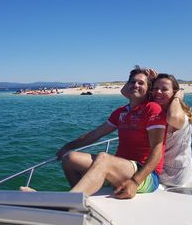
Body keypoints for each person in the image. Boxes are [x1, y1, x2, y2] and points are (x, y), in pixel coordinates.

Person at [20, 66, 167, 199]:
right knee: (69, 159)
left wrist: (135, 182)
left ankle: (65, 201)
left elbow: (157, 150)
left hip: (146, 175)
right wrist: (69, 146)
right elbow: (95, 134)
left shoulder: (152, 108)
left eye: (141, 83)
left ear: (148, 88)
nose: (136, 85)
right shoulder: (121, 112)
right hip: (120, 169)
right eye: (132, 82)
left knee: (103, 158)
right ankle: (80, 199)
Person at [151, 73, 192, 186]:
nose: (158, 92)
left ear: (174, 92)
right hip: (159, 167)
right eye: (155, 88)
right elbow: (125, 92)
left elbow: (173, 117)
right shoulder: (157, 111)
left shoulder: (179, 115)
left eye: (164, 89)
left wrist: (176, 98)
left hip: (172, 174)